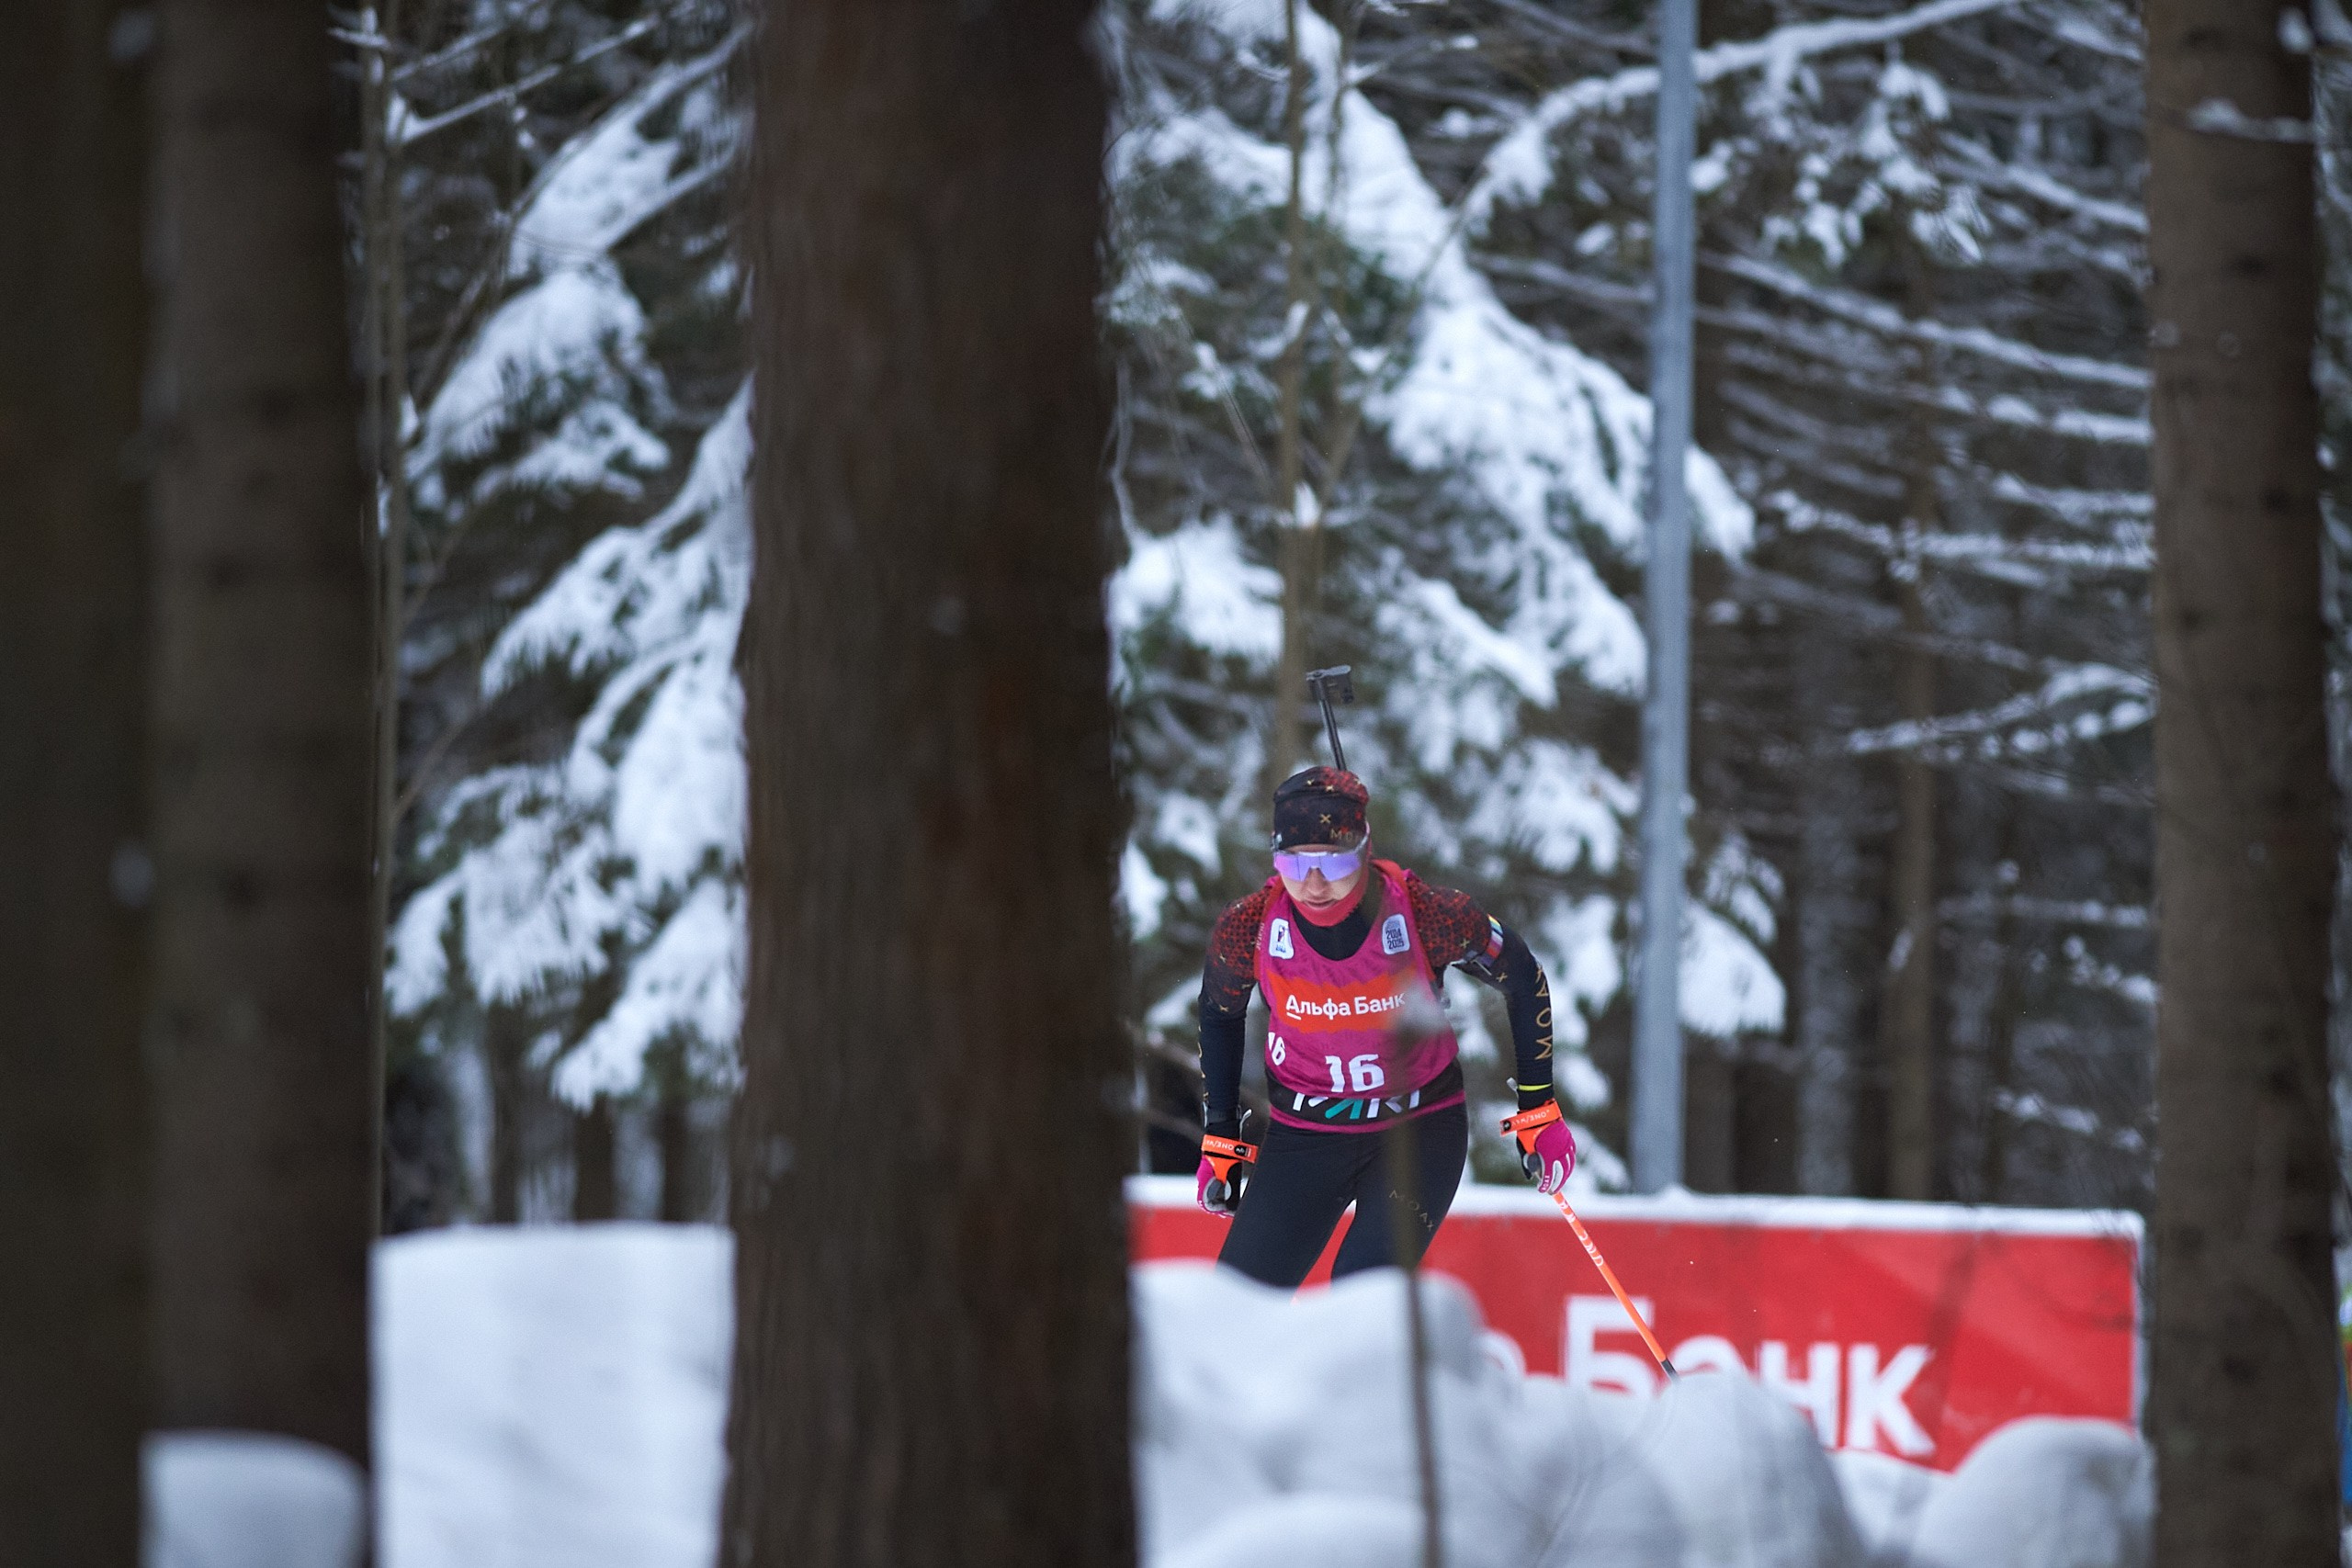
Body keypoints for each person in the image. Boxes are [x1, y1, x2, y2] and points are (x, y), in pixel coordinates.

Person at [1193, 765, 1577, 1288]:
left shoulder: (1427, 914)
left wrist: (1538, 1106)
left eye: (1332, 860)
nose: (1312, 882)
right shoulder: (1250, 927)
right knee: (1236, 1302)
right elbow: (1219, 1012)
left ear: (1363, 847)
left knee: (1359, 1295)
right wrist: (1220, 1135)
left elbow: (1523, 977)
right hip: (1305, 1134)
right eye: (1293, 860)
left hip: (1417, 1130)